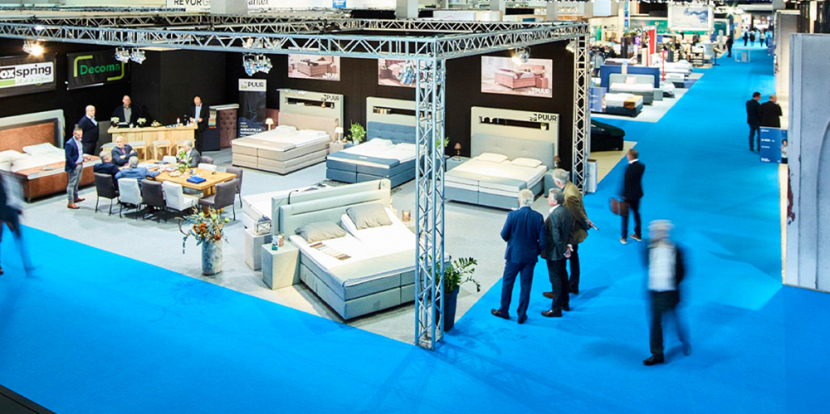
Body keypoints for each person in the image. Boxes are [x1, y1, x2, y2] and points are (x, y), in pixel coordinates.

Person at [491, 189, 546, 325]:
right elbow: (543, 241)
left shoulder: (513, 215)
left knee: (508, 283)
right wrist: (535, 251)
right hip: (530, 257)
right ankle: (522, 314)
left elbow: (504, 234)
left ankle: (504, 310)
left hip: (514, 256)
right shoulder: (538, 217)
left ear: (520, 200)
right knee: (526, 286)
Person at [643, 220, 691, 366]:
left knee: (672, 317)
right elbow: (648, 265)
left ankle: (682, 336)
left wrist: (671, 284)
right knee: (656, 322)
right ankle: (657, 354)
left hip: (670, 293)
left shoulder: (676, 250)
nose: (655, 234)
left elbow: (682, 271)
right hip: (655, 292)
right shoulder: (648, 248)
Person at [544, 169, 595, 297]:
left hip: (571, 232)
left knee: (567, 260)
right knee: (573, 259)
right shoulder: (571, 187)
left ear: (557, 182)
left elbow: (577, 214)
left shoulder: (569, 195)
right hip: (571, 230)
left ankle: (566, 288)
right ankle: (570, 286)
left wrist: (586, 224)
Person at [541, 188, 573, 318]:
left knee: (556, 280)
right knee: (563, 276)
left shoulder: (554, 215)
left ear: (555, 202)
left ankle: (556, 308)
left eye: (549, 197)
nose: (547, 198)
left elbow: (556, 236)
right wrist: (568, 247)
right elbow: (570, 230)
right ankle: (565, 303)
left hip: (555, 253)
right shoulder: (567, 210)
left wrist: (563, 250)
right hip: (563, 250)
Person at [0, 171, 33, 276]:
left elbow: (13, 194)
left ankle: (27, 264)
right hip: (1, 213)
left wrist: (18, 209)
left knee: (19, 236)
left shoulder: (7, 178)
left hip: (10, 211)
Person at [621, 149, 645, 245]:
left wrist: (623, 195)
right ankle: (638, 234)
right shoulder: (641, 166)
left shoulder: (628, 169)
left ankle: (624, 237)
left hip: (628, 196)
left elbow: (627, 183)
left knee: (625, 216)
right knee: (636, 214)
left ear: (630, 156)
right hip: (637, 194)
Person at [65, 126, 88, 210]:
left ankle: (76, 197)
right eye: (78, 135)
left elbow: (79, 152)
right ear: (73, 134)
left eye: (81, 135)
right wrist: (74, 166)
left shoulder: (79, 142)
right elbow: (68, 157)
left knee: (77, 182)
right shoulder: (69, 143)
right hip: (74, 166)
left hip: (80, 164)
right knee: (71, 184)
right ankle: (70, 202)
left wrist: (84, 158)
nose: (80, 137)